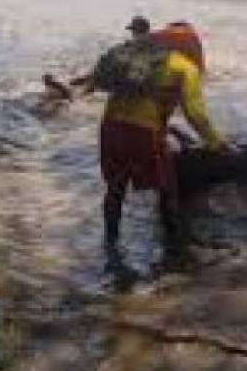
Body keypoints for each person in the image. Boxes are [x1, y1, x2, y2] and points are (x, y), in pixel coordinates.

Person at [72, 16, 229, 261]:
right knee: (167, 187)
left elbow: (96, 82)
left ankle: (110, 244)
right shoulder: (184, 68)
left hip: (110, 127)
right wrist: (216, 143)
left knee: (115, 187)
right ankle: (176, 249)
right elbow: (196, 114)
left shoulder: (136, 59)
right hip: (143, 132)